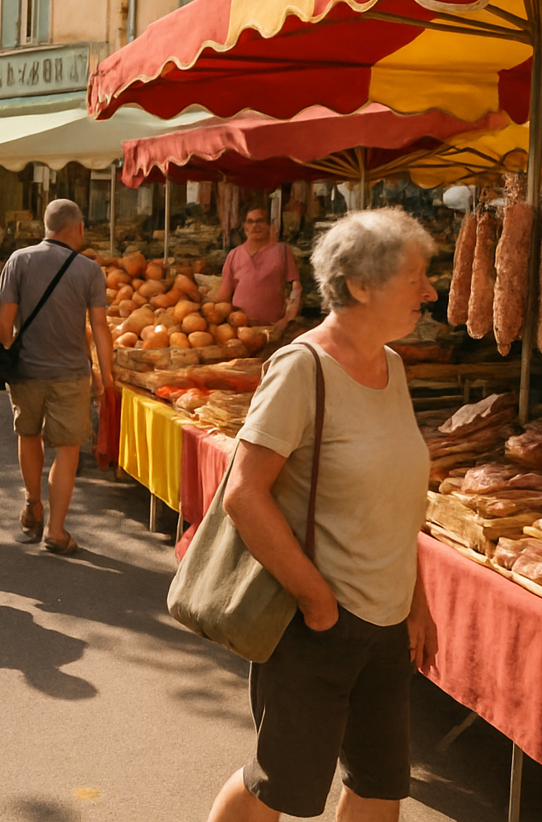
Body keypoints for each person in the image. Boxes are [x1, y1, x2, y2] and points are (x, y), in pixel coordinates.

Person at [206, 208, 438, 822]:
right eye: (417, 275)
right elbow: (244, 493)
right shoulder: (302, 366)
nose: (430, 290)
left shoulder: (392, 367)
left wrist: (416, 601)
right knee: (278, 785)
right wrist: (317, 600)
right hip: (317, 623)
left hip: (386, 622)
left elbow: (393, 495)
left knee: (380, 783)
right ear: (361, 285)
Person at [0, 198, 115, 556]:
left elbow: (3, 323)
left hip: (27, 371)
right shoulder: (89, 270)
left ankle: (32, 502)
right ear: (77, 228)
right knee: (66, 451)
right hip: (70, 376)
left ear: (45, 227)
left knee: (28, 435)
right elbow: (101, 328)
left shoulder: (19, 260)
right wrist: (107, 376)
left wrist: (7, 359)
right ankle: (56, 531)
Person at [214, 207, 304, 327]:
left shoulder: (282, 251)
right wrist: (207, 306)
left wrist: (288, 318)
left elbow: (296, 288)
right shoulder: (234, 255)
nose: (255, 226)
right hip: (241, 328)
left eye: (260, 221)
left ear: (268, 225)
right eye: (250, 221)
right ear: (244, 226)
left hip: (274, 327)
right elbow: (225, 293)